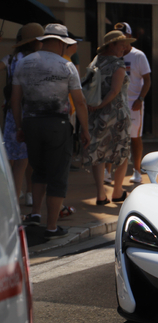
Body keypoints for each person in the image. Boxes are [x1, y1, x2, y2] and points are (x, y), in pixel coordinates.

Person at [11, 24, 90, 239]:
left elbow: (16, 100)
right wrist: (85, 129)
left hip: (31, 123)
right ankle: (52, 227)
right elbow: (80, 102)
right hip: (57, 125)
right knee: (57, 176)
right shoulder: (66, 65)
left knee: (38, 171)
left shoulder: (23, 63)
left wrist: (19, 126)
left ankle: (35, 214)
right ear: (60, 43)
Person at [82, 30, 135, 205]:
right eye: (122, 44)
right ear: (111, 45)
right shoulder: (117, 64)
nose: (125, 48)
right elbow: (114, 91)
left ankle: (100, 195)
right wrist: (102, 105)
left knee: (97, 153)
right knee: (121, 152)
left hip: (95, 113)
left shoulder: (95, 61)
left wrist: (95, 107)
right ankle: (118, 191)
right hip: (116, 114)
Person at [2, 23, 43, 205]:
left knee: (14, 159)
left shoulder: (10, 60)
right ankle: (19, 198)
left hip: (12, 113)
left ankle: (14, 196)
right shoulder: (38, 60)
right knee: (25, 161)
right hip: (32, 114)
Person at [115, 22, 152, 184]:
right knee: (114, 137)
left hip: (134, 104)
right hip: (116, 103)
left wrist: (140, 99)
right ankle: (109, 171)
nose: (120, 39)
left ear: (129, 37)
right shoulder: (113, 54)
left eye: (123, 36)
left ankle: (137, 171)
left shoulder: (138, 56)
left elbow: (148, 80)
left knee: (134, 138)